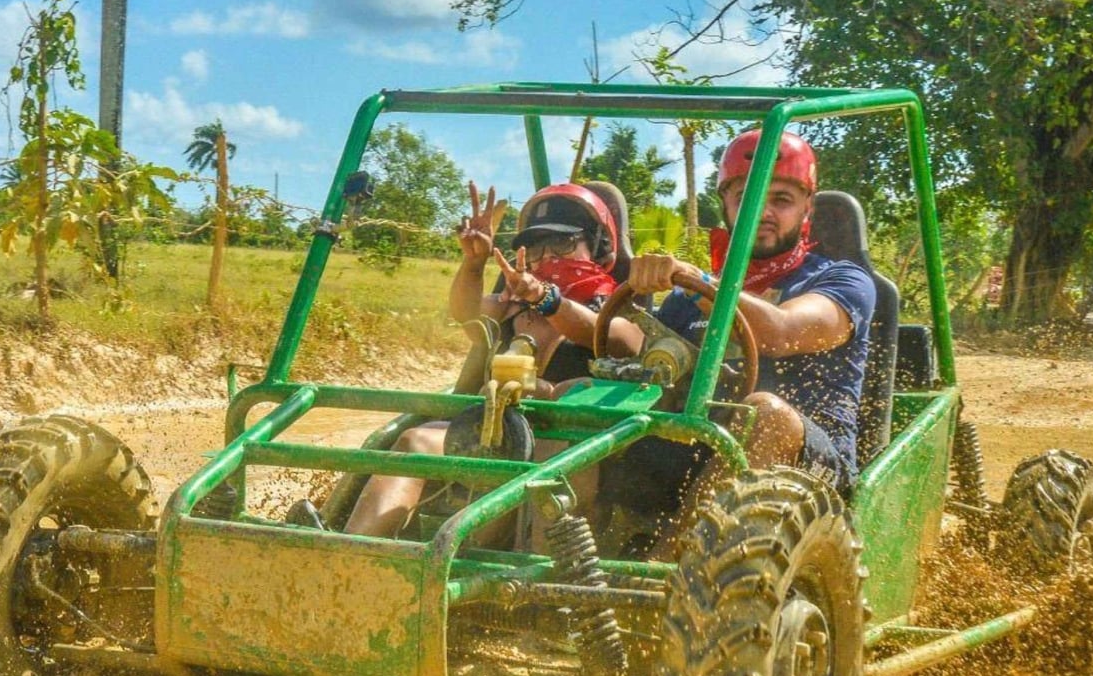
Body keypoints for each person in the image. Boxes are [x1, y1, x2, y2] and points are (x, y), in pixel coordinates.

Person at [342, 181, 638, 539]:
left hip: (564, 448)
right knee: (415, 442)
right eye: (537, 247)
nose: (548, 257)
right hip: (491, 434)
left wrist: (548, 300)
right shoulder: (510, 306)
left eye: (562, 243)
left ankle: (537, 583)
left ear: (599, 246)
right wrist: (474, 263)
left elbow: (621, 339)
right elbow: (464, 313)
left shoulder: (613, 305)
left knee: (549, 466)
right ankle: (353, 554)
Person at [603, 129, 875, 516]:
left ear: (807, 209)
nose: (762, 213)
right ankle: (533, 560)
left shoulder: (842, 280)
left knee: (766, 413)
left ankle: (678, 570)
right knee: (577, 395)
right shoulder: (685, 298)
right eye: (745, 198)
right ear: (726, 205)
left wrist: (700, 284)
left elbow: (779, 332)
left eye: (781, 200)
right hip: (700, 447)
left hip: (811, 466)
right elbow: (649, 364)